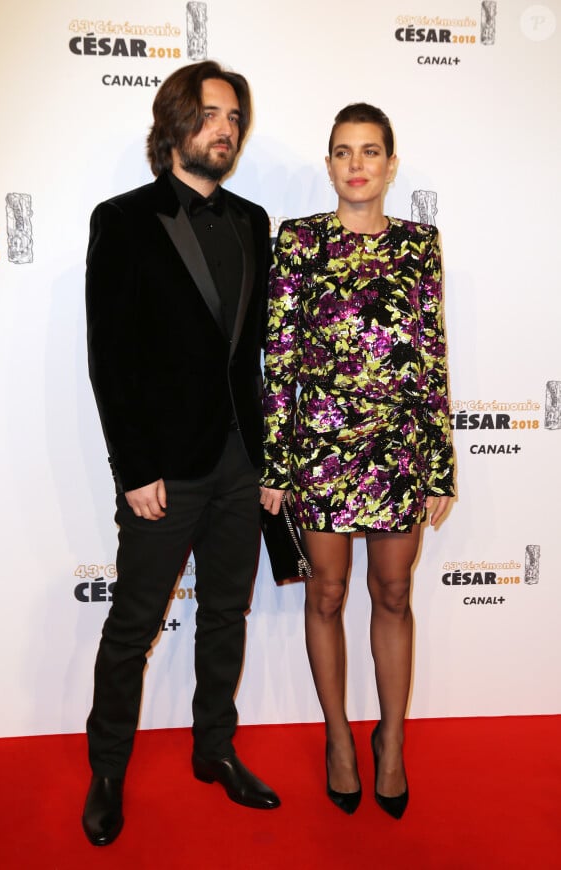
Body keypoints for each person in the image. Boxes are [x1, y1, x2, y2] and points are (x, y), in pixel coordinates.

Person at [83, 60, 280, 847]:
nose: (224, 127)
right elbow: (109, 355)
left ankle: (215, 750)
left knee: (226, 614)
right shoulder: (123, 218)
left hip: (240, 460)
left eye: (234, 115)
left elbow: (254, 354)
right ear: (173, 124)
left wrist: (270, 461)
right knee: (133, 625)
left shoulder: (253, 220)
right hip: (163, 469)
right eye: (208, 114)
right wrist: (133, 470)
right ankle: (106, 772)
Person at [260, 103, 454, 817]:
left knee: (394, 595)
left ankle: (392, 741)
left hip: (399, 451)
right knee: (327, 595)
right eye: (343, 152)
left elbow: (432, 359)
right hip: (321, 449)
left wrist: (439, 465)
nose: (357, 164)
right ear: (330, 164)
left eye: (371, 151)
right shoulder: (300, 241)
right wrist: (276, 464)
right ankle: (339, 738)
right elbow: (278, 359)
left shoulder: (419, 246)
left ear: (391, 164)